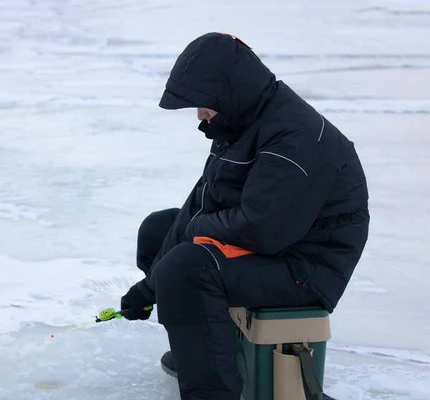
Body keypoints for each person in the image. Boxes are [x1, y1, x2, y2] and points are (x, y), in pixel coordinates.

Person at [119, 32, 370, 400]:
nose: (201, 116)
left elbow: (264, 229)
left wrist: (195, 234)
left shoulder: (292, 136)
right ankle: (199, 351)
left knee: (188, 268)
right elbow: (200, 206)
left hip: (307, 267)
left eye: (204, 104)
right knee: (160, 229)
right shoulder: (239, 124)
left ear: (227, 90)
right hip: (275, 249)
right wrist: (149, 288)